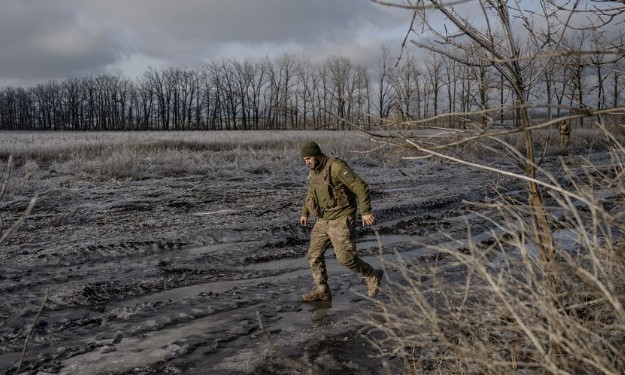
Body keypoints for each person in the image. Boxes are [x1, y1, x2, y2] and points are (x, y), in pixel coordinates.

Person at [299, 141, 383, 302]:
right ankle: (322, 289)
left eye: (308, 158)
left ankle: (372, 274)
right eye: (304, 159)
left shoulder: (336, 167)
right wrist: (304, 213)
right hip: (323, 219)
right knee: (314, 255)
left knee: (345, 258)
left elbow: (360, 186)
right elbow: (311, 192)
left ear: (317, 155)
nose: (306, 162)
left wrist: (366, 211)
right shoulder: (314, 171)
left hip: (342, 218)